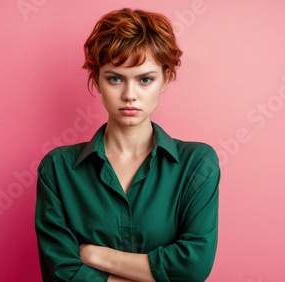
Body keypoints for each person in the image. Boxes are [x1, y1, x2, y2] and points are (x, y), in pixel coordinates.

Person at [35, 8, 220, 282]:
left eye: (145, 79)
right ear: (96, 79)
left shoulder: (197, 163)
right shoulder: (58, 168)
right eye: (115, 78)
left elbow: (193, 267)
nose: (130, 95)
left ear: (165, 79)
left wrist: (98, 256)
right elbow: (62, 273)